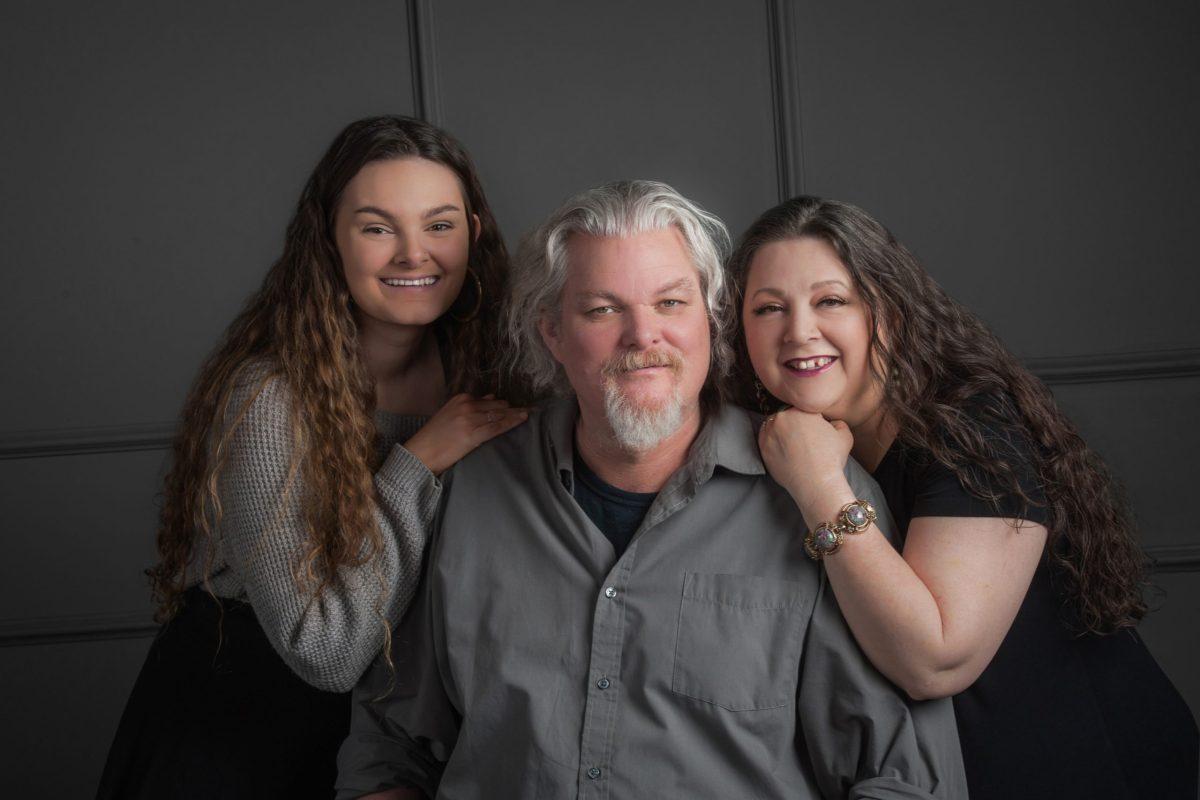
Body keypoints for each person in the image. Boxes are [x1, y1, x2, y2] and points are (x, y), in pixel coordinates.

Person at [334, 180, 967, 799]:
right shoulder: (470, 491)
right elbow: (390, 748)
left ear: (712, 321)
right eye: (602, 309)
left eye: (671, 303)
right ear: (552, 332)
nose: (644, 337)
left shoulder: (818, 496)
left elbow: (903, 776)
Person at [97, 115, 527, 800]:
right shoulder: (269, 398)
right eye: (377, 227)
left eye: (440, 225)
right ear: (329, 237)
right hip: (245, 722)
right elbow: (324, 651)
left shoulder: (491, 374)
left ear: (475, 232)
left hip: (397, 729)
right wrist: (417, 461)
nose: (414, 254)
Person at [731, 195, 1199, 799]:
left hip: (1096, 770)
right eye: (769, 308)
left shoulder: (971, 427)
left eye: (831, 301)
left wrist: (820, 486)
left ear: (889, 313)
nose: (799, 330)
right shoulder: (781, 444)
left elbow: (936, 660)